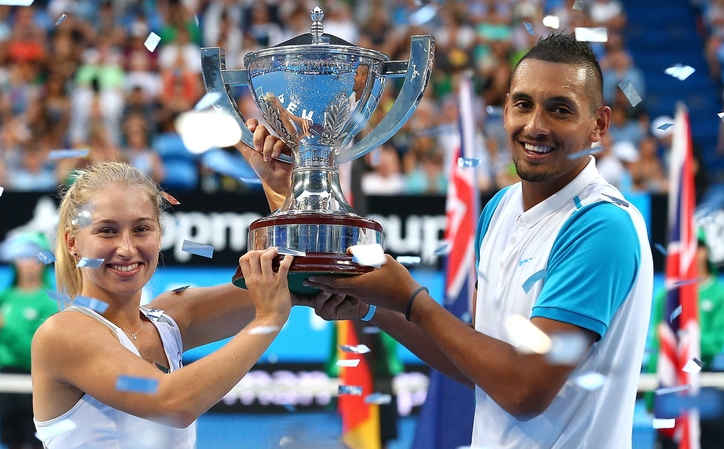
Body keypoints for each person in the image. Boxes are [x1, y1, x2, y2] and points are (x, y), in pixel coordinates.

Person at [250, 32, 654, 447]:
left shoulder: (601, 225)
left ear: (599, 125)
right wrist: (377, 308)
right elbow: (477, 363)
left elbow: (525, 389)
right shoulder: (500, 208)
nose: (535, 125)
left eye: (560, 110)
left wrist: (412, 300)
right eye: (523, 104)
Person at [31, 160, 294, 448]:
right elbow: (172, 402)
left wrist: (281, 189)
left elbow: (293, 278)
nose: (127, 248)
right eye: (107, 231)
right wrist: (267, 321)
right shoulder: (63, 333)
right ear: (72, 242)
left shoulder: (174, 314)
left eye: (141, 229)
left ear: (159, 235)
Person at [646, 228, 724, 448]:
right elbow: (660, 346)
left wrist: (688, 347)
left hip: (707, 386)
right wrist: (654, 394)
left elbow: (715, 344)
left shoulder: (719, 294)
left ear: (706, 251)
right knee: (667, 442)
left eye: (698, 246)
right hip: (670, 389)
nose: (693, 253)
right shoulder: (666, 295)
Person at [0, 232, 59, 449]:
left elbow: (39, 348)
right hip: (6, 378)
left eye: (34, 257)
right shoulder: (2, 298)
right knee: (11, 439)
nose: (28, 264)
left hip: (36, 379)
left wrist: (4, 328)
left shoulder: (51, 301)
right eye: (23, 257)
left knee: (37, 439)